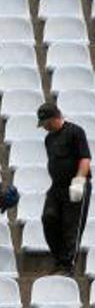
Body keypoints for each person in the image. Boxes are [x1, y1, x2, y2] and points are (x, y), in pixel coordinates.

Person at [38, 102, 92, 276]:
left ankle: (67, 266)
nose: (44, 127)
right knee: (49, 218)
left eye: (46, 123)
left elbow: (85, 158)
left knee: (71, 225)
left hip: (75, 184)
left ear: (55, 118)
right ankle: (59, 259)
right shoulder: (49, 139)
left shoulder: (75, 132)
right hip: (57, 187)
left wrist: (79, 180)